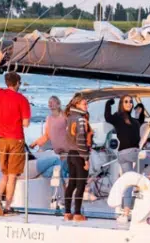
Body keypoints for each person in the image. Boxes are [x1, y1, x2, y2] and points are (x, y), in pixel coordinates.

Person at [0, 50, 31, 215]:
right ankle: (7, 207)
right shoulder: (22, 100)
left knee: (5, 173)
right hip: (16, 139)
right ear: (17, 83)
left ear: (7, 83)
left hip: (1, 139)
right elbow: (26, 124)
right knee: (12, 175)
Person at [104, 95, 145, 223]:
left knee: (128, 182)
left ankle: (125, 212)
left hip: (124, 154)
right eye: (126, 101)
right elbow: (107, 117)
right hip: (131, 153)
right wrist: (109, 103)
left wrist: (141, 109)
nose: (129, 103)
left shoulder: (134, 120)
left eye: (131, 102)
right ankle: (140, 185)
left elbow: (140, 121)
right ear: (121, 104)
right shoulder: (118, 117)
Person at [62, 94, 92, 222]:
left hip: (71, 154)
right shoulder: (80, 119)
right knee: (80, 185)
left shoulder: (69, 118)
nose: (86, 106)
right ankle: (77, 214)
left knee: (71, 184)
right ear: (77, 104)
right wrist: (86, 159)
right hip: (79, 155)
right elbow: (81, 140)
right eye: (84, 104)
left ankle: (67, 212)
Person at [30, 96, 69, 182]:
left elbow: (73, 130)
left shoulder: (65, 116)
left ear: (58, 104)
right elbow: (47, 135)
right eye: (49, 102)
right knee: (57, 171)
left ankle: (67, 186)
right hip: (57, 152)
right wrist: (35, 143)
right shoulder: (49, 118)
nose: (49, 104)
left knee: (63, 171)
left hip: (66, 150)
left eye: (52, 102)